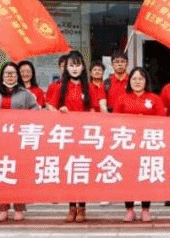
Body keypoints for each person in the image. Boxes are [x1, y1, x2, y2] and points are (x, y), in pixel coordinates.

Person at [46, 52, 102, 222]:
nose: (74, 68)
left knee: (82, 170)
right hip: (67, 136)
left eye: (77, 65)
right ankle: (71, 207)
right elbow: (50, 106)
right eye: (71, 65)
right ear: (66, 68)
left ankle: (82, 207)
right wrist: (60, 112)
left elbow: (94, 109)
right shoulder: (59, 87)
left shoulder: (90, 87)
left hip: (84, 136)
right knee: (69, 170)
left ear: (83, 67)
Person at [0, 62, 40, 221]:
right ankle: (2, 207)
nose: (10, 76)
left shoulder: (26, 93)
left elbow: (36, 110)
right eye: (7, 73)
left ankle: (19, 207)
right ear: (2, 75)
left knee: (19, 173)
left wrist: (24, 115)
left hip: (19, 140)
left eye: (13, 73)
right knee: (1, 172)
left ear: (18, 76)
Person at [113, 67, 165, 222]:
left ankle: (145, 209)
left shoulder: (154, 98)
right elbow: (115, 121)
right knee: (128, 176)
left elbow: (161, 120)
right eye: (134, 79)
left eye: (140, 79)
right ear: (129, 81)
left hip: (147, 143)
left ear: (146, 81)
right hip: (127, 143)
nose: (137, 82)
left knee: (145, 175)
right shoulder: (122, 98)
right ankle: (129, 209)